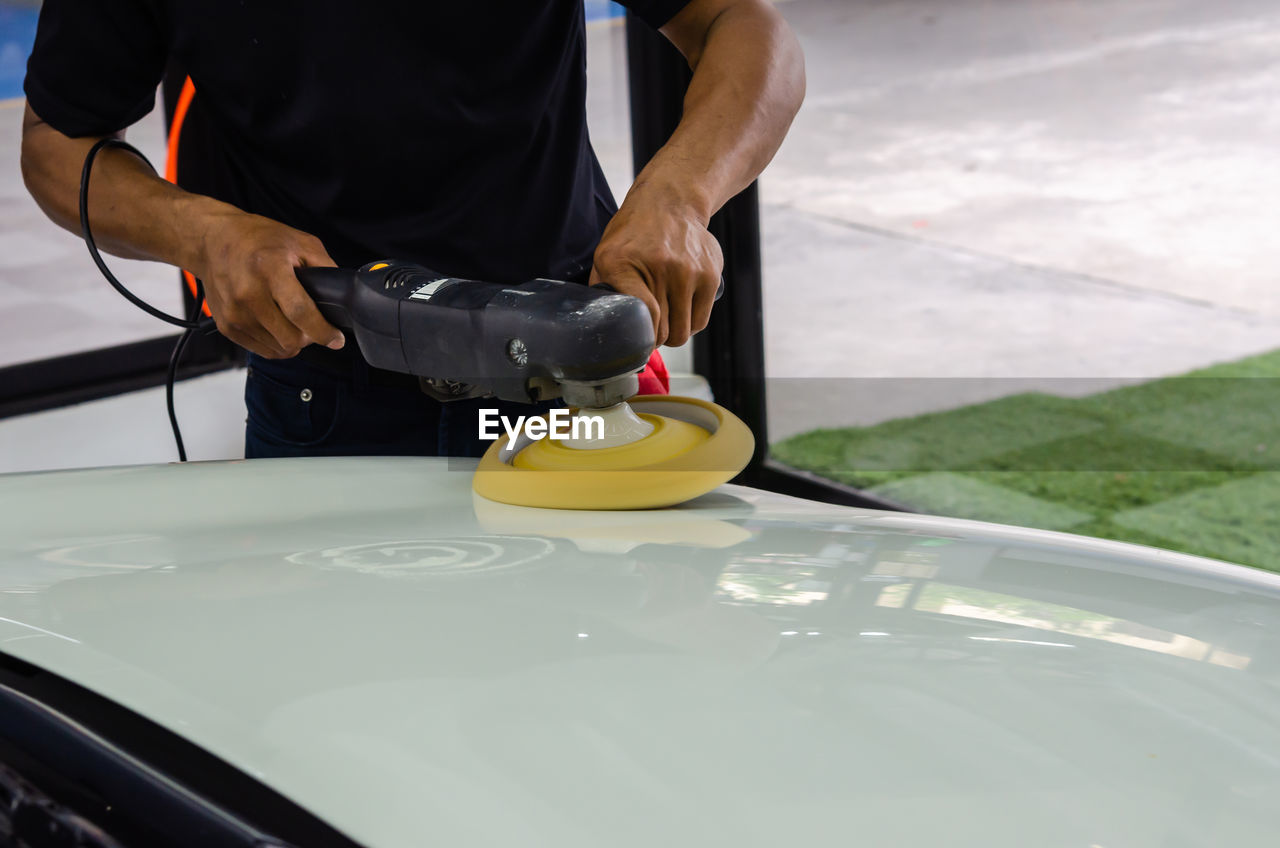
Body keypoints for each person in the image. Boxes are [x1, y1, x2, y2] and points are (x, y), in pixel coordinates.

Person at [20, 0, 804, 458]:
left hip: (568, 368)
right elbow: (58, 148)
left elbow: (745, 23)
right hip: (323, 385)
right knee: (335, 710)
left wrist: (678, 196)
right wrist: (205, 233)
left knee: (592, 696)